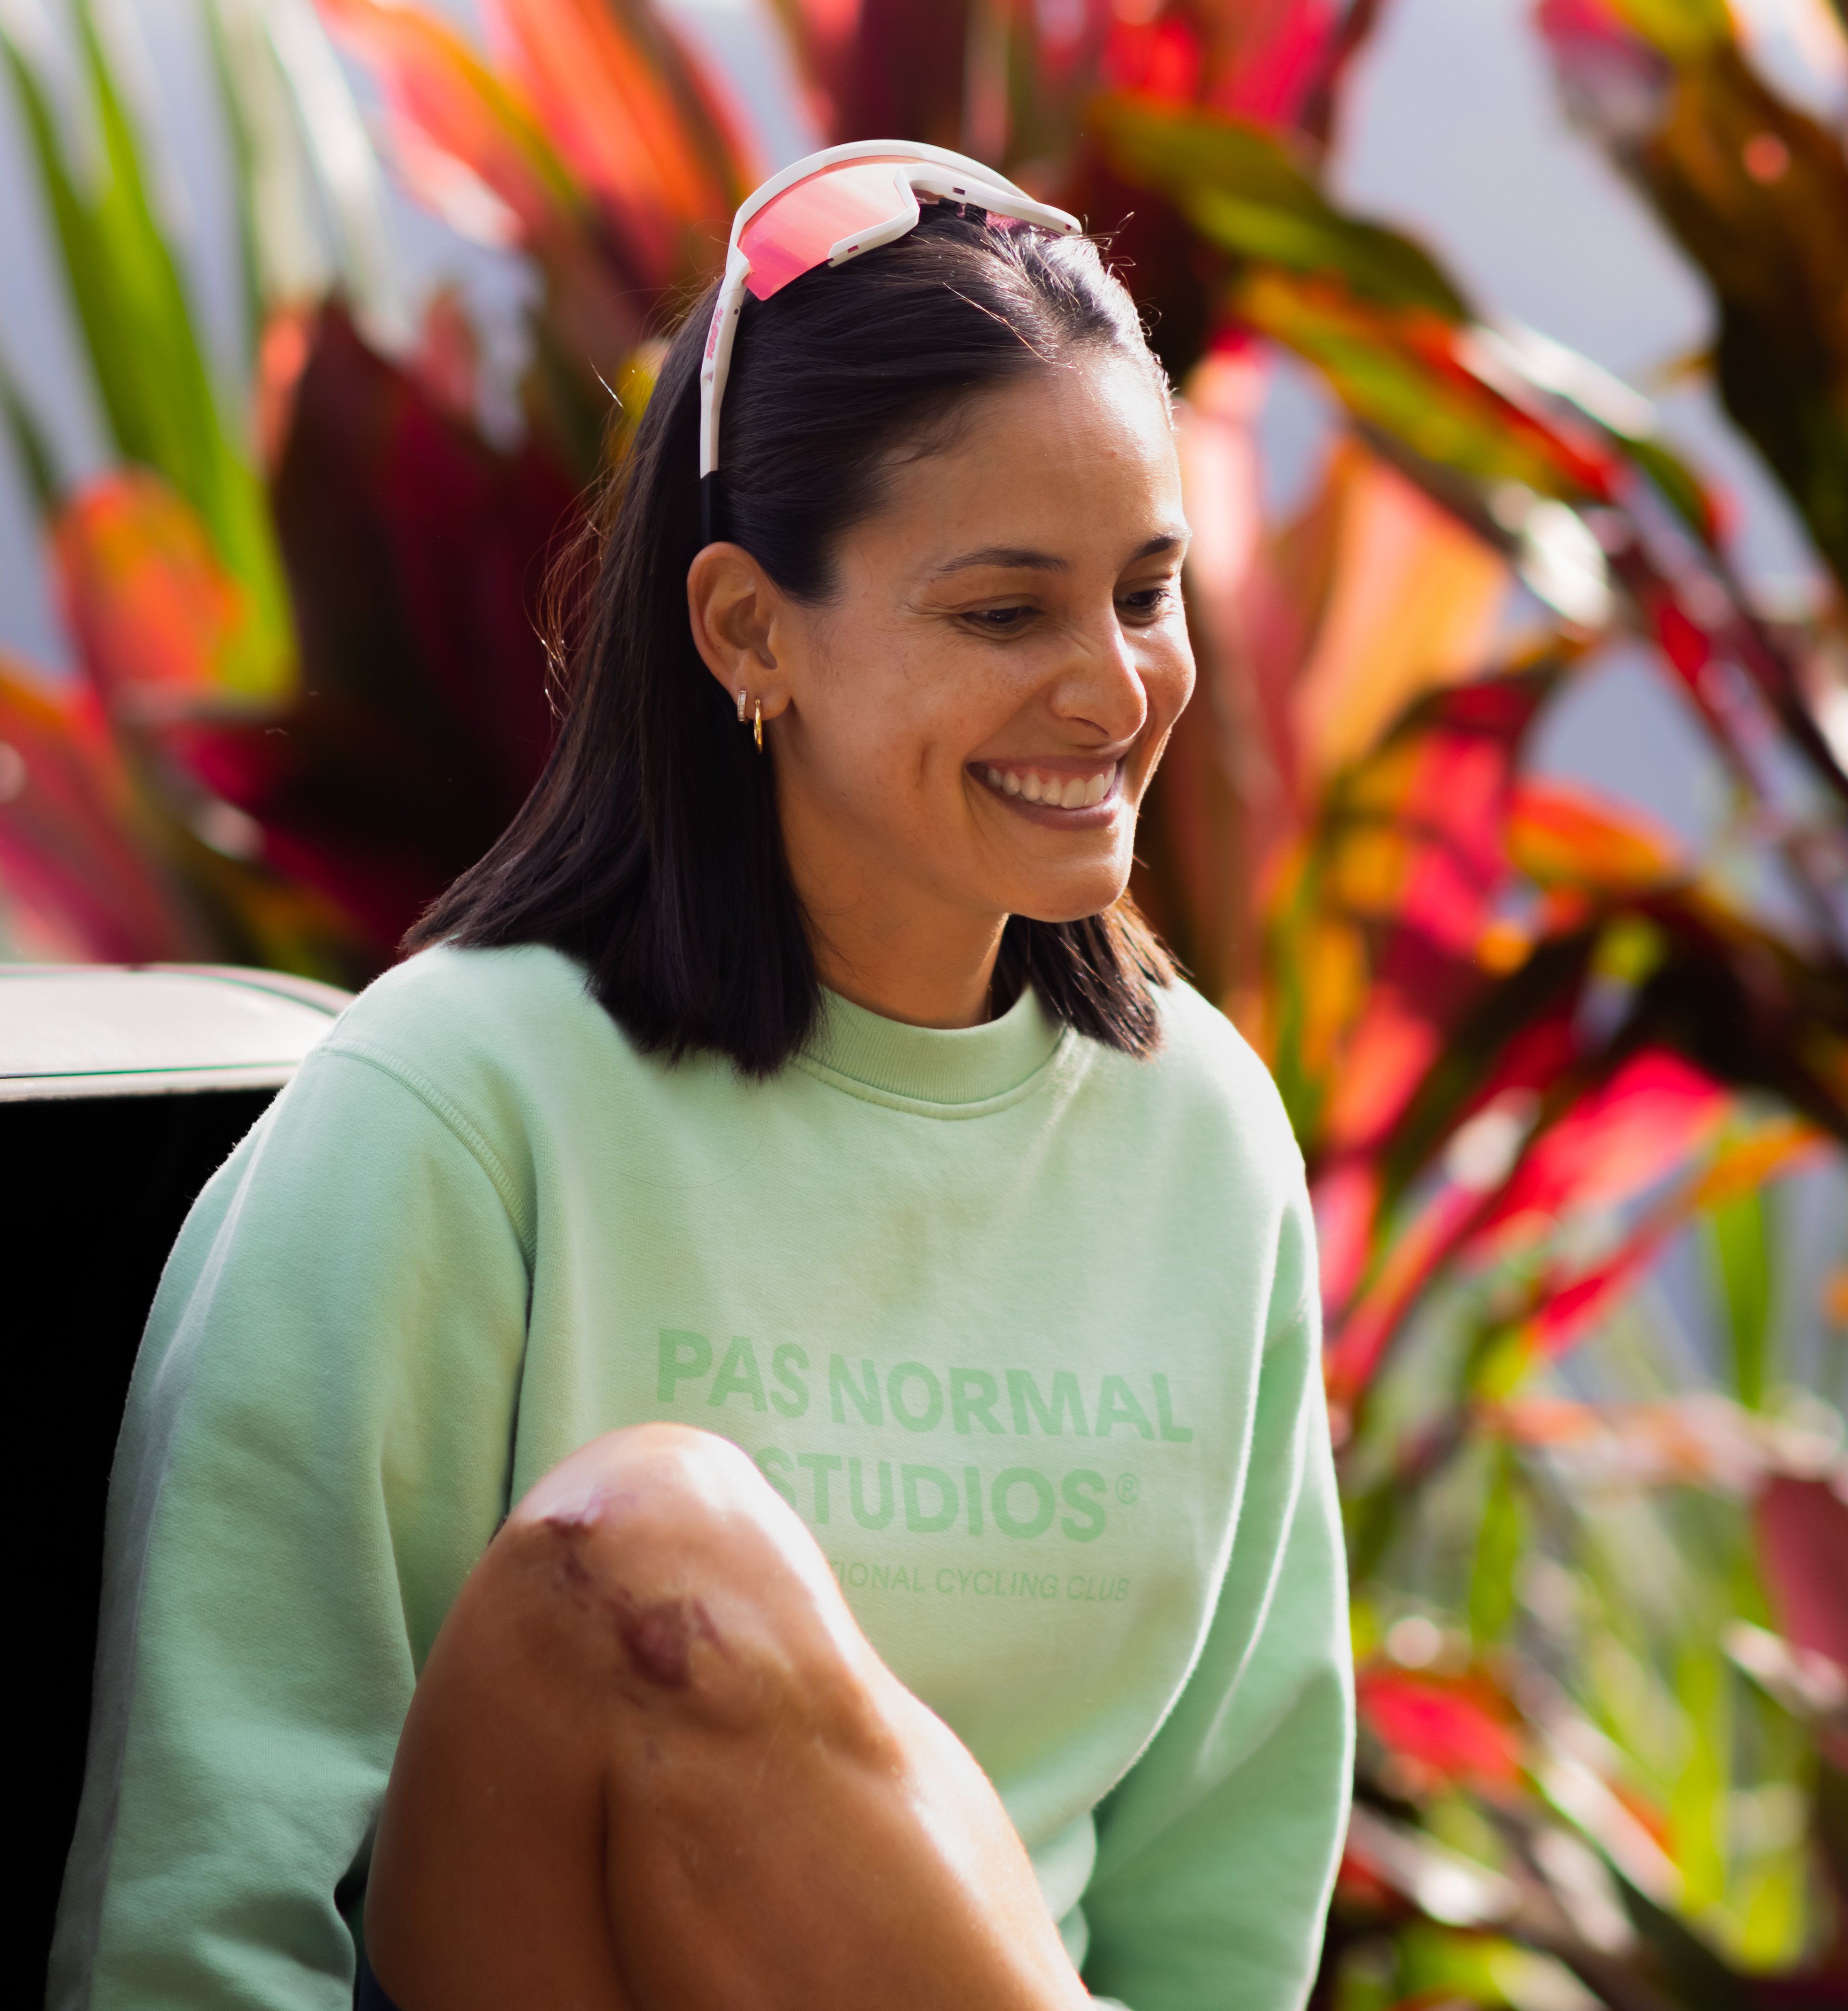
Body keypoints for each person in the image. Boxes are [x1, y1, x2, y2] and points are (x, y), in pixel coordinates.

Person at [51, 143, 1352, 2011]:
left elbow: (1224, 1900)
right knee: (652, 1553)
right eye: (1005, 613)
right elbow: (206, 1894)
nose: (1113, 687)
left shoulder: (1202, 1142)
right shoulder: (457, 1104)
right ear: (749, 629)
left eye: (1146, 594)